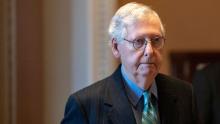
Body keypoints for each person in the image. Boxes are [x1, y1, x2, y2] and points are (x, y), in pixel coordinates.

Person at [61, 2, 199, 124]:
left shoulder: (184, 94)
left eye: (156, 40)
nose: (149, 51)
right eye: (138, 41)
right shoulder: (85, 105)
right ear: (116, 47)